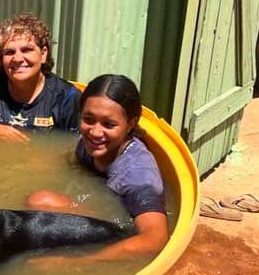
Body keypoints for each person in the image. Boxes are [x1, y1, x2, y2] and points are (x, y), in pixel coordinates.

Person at [27, 74, 169, 260]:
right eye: (88, 119)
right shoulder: (89, 144)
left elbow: (155, 239)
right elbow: (72, 162)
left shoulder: (138, 174)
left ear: (130, 124)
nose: (95, 132)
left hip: (125, 234)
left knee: (40, 200)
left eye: (109, 124)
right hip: (100, 205)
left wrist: (78, 263)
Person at [0, 12, 80, 141]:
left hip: (35, 160)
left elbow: (73, 146)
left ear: (43, 54)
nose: (17, 58)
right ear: (1, 58)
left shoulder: (67, 98)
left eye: (26, 50)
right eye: (9, 52)